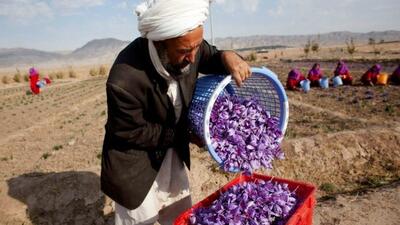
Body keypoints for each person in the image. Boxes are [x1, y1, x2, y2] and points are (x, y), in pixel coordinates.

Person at [100, 0, 251, 224]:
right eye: (184, 51)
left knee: (180, 217)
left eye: (196, 47)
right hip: (135, 167)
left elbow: (209, 56)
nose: (192, 57)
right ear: (161, 44)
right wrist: (184, 134)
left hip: (171, 154)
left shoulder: (189, 44)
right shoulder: (124, 79)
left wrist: (226, 56)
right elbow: (131, 132)